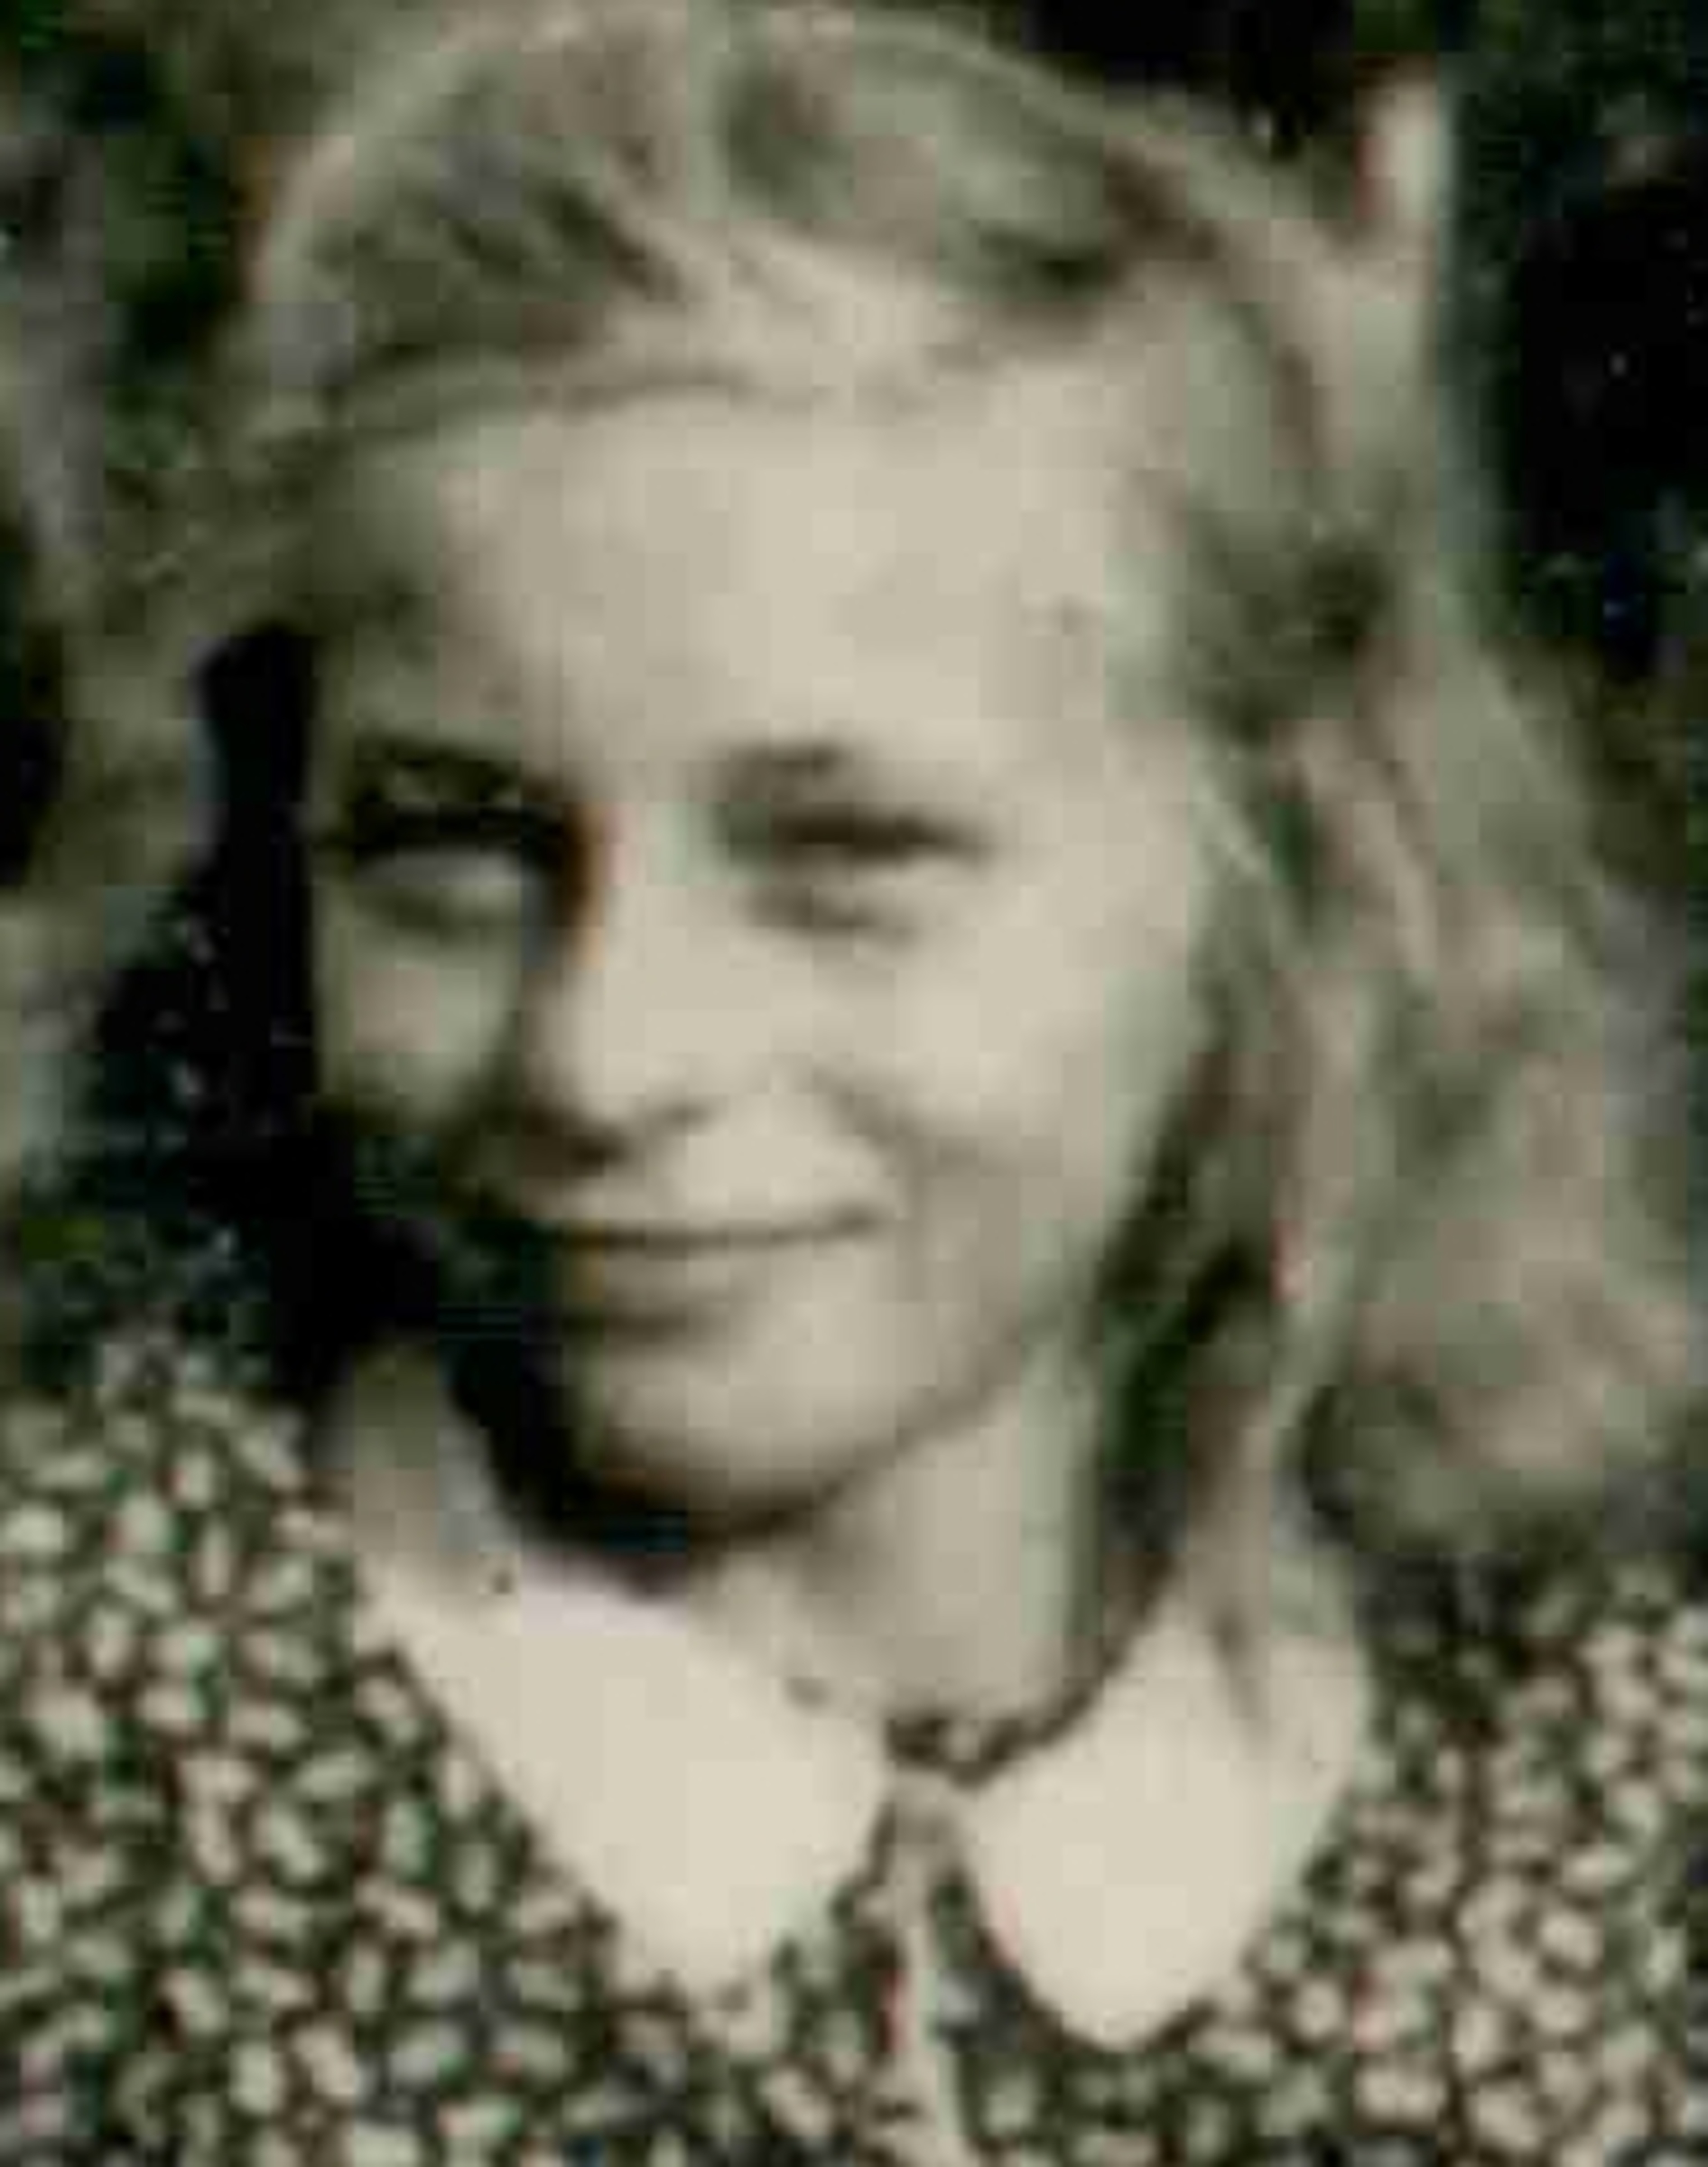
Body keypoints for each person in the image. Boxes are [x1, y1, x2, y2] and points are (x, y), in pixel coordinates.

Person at [4, 2, 1706, 2158]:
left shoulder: (1604, 1814)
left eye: (844, 858)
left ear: (1282, 883)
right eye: (451, 846)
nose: (605, 1056)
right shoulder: (72, 1777)